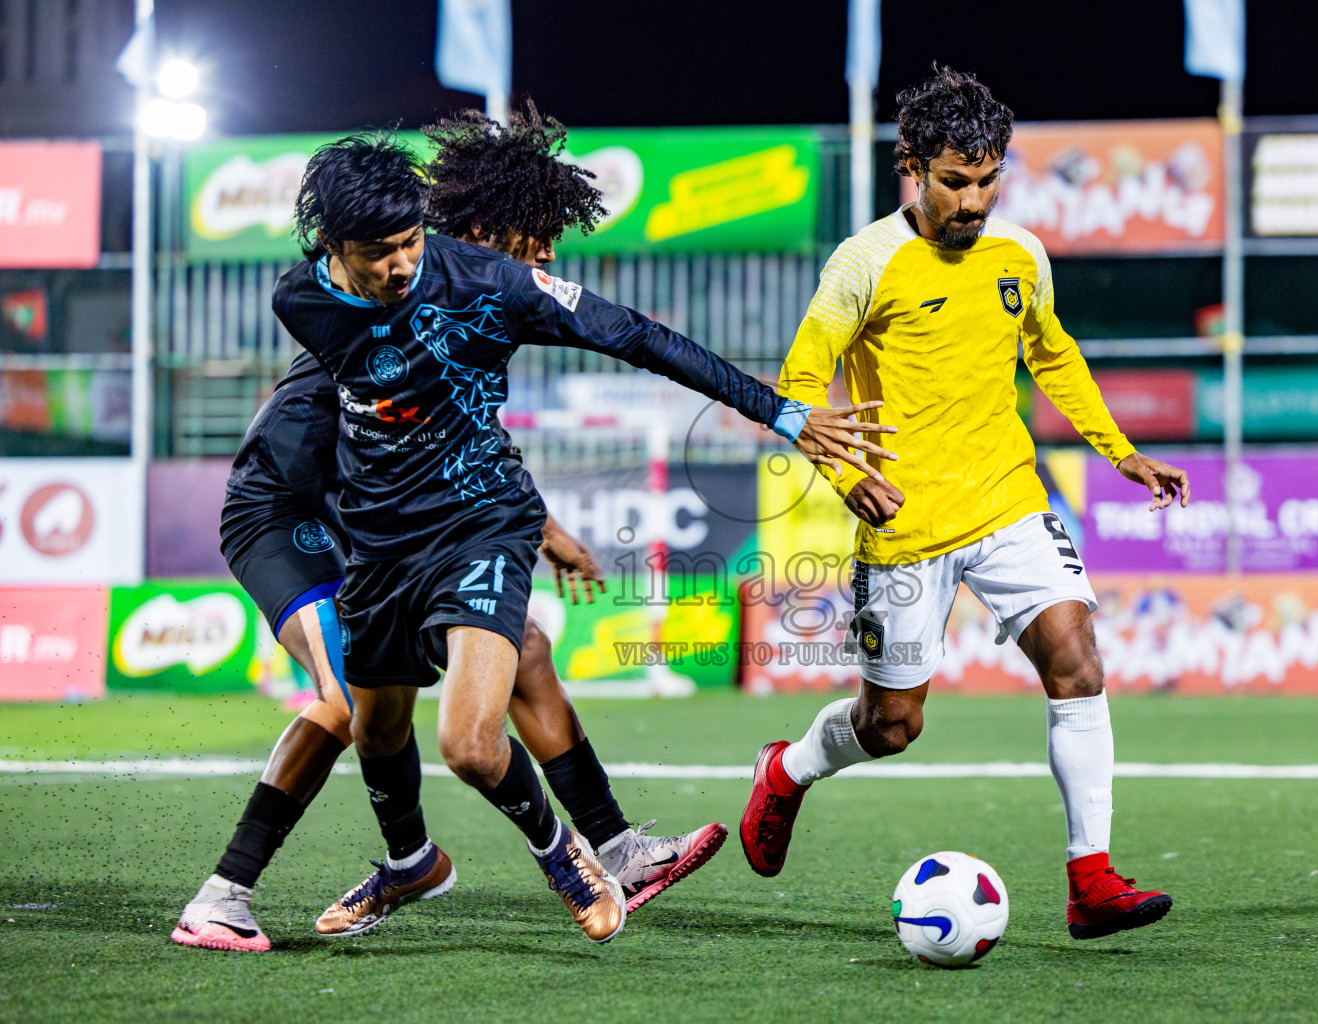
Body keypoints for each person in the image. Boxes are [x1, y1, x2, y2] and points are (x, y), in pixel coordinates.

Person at [168, 106, 774, 952]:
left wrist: (532, 518)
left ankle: (609, 848)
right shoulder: (364, 299)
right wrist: (526, 519)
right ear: (487, 232)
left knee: (516, 650)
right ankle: (229, 890)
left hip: (388, 518)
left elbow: (459, 435)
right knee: (349, 702)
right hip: (291, 511)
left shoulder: (452, 287)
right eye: (537, 237)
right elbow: (396, 440)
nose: (550, 258)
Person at [269, 128, 893, 945]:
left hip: (475, 524)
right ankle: (411, 862)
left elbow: (641, 337)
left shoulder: (492, 284)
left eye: (412, 243)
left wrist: (782, 414)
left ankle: (571, 853)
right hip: (379, 543)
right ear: (332, 248)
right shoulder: (300, 300)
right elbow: (375, 399)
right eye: (377, 253)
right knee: (376, 730)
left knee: (466, 742)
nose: (400, 266)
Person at [737, 67, 1191, 941]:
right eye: (955, 181)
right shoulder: (863, 264)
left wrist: (1120, 452)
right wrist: (845, 475)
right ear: (912, 166)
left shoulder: (1021, 255)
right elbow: (799, 384)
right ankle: (787, 771)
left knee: (1078, 660)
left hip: (1009, 501)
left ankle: (1090, 881)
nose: (974, 199)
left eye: (988, 179)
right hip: (902, 525)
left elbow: (1051, 355)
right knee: (893, 724)